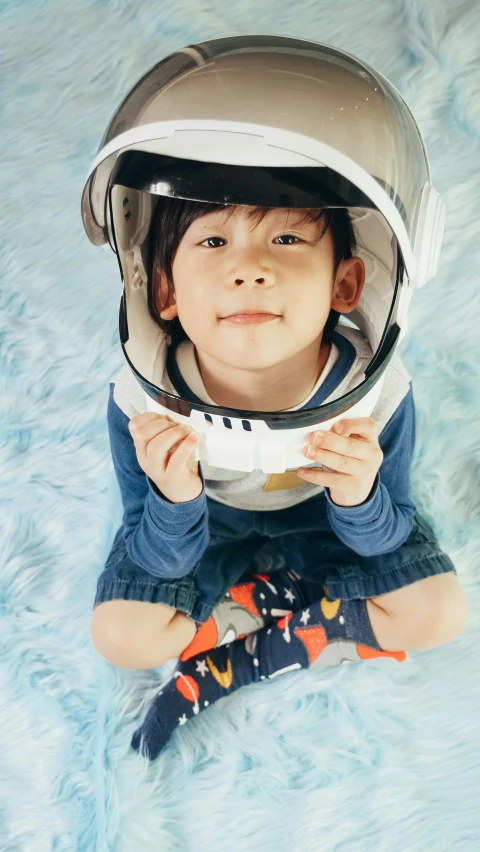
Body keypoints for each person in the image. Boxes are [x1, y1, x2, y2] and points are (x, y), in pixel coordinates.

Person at [90, 197, 468, 760]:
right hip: (206, 522)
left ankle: (238, 655)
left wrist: (359, 495)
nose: (249, 269)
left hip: (326, 514)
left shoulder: (374, 392)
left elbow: (388, 532)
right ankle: (311, 607)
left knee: (441, 614)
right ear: (165, 292)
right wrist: (175, 498)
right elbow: (156, 554)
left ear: (345, 286)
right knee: (120, 637)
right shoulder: (143, 399)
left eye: (287, 240)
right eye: (214, 243)